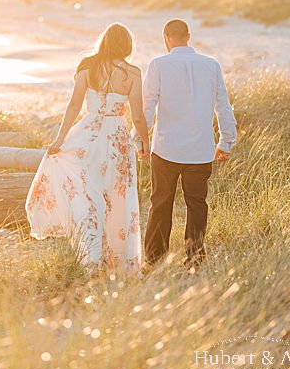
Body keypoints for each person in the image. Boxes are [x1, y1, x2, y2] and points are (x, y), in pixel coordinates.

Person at [25, 23, 147, 275]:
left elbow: (73, 106)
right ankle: (118, 262)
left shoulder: (87, 66)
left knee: (87, 193)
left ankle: (92, 257)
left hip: (88, 135)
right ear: (126, 45)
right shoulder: (133, 73)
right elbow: (138, 116)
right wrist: (143, 142)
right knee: (118, 197)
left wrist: (60, 140)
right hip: (118, 140)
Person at [139, 19, 236, 269]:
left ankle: (154, 260)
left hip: (166, 149)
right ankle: (194, 259)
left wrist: (140, 140)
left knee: (161, 203)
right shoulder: (211, 65)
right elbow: (222, 106)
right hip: (200, 150)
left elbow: (147, 108)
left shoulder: (158, 65)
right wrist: (226, 141)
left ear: (166, 37)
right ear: (188, 36)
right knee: (197, 205)